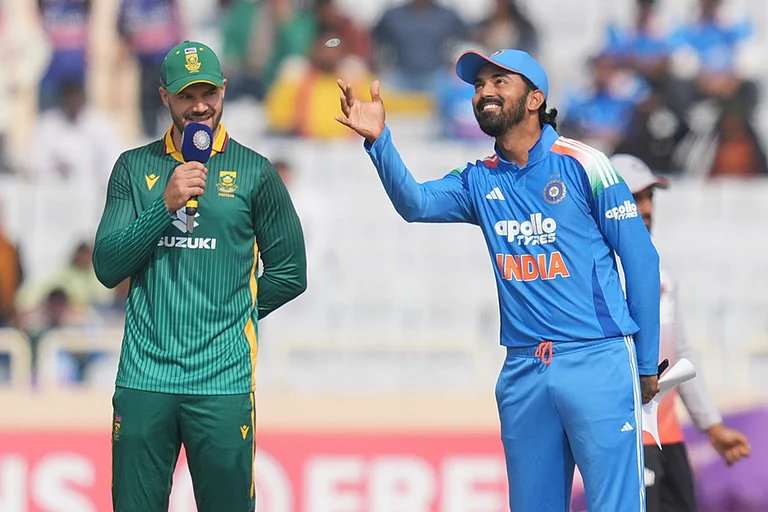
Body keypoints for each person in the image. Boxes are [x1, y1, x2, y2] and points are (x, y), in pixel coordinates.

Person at [336, 48, 661, 511]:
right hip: (524, 369)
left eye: (498, 81)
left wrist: (645, 364)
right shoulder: (478, 179)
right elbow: (416, 204)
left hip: (597, 359)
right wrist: (379, 141)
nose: (484, 91)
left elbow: (642, 261)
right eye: (478, 84)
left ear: (534, 99)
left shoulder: (584, 163)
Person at [92, 40, 307, 511]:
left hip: (222, 382)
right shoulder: (134, 167)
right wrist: (163, 207)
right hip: (145, 377)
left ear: (224, 91)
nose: (199, 105)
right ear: (165, 96)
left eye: (208, 92)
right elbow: (107, 267)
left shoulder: (254, 171)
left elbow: (291, 272)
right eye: (186, 95)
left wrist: (232, 314)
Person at [611, 153, 751, 512]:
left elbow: (681, 353)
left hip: (667, 436)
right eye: (633, 198)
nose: (645, 209)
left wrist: (711, 426)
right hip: (625, 439)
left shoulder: (660, 268)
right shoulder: (601, 274)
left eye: (649, 197)